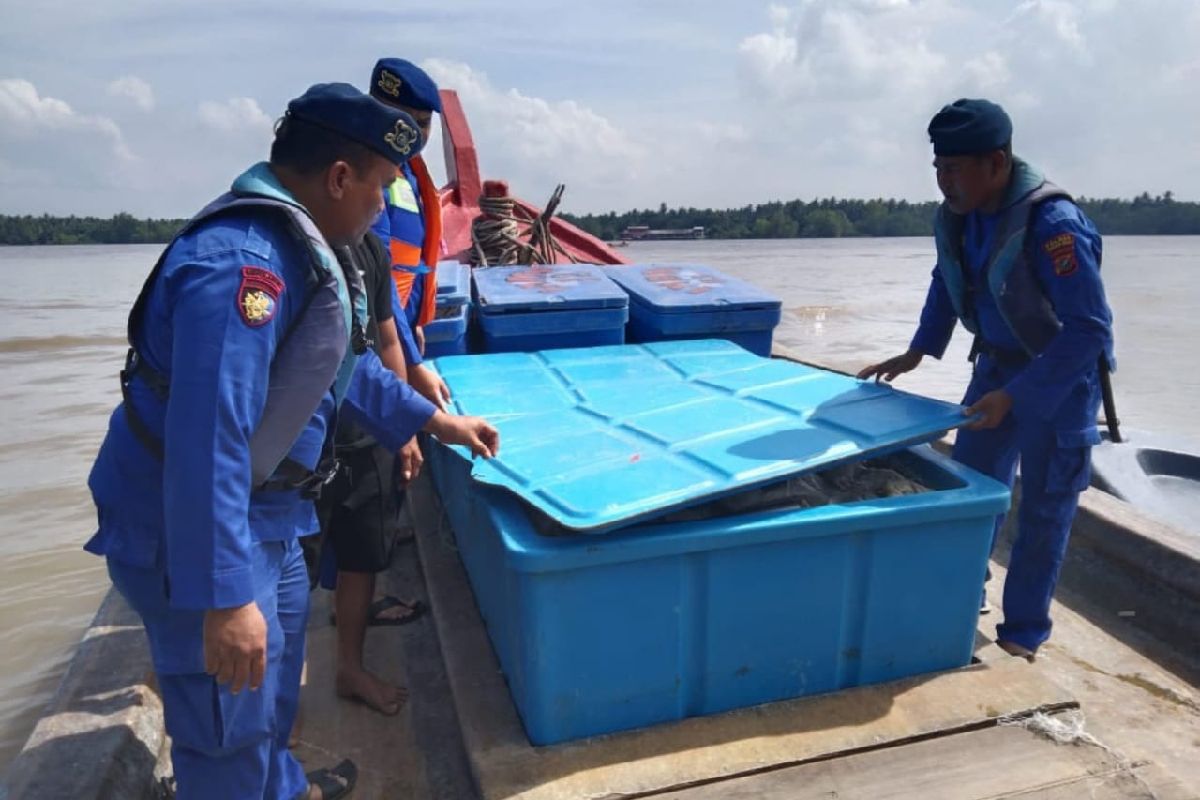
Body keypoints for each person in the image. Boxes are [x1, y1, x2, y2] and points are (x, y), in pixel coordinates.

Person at [85, 83, 498, 800]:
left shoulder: (307, 248)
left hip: (269, 518)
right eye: (380, 187)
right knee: (226, 729)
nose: (381, 205)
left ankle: (277, 786)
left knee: (272, 696)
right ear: (339, 177)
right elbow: (207, 439)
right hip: (197, 532)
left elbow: (343, 366)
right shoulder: (242, 269)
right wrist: (221, 598)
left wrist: (438, 424)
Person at [858, 98, 1114, 663]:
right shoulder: (962, 217)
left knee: (1045, 511)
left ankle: (1022, 635)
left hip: (1059, 382)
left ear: (997, 163)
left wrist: (1017, 397)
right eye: (938, 170)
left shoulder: (1054, 226)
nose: (944, 182)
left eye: (955, 169)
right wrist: (919, 350)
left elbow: (1089, 329)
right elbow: (946, 280)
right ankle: (961, 597)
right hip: (994, 369)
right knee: (973, 494)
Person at [312, 231, 421, 717]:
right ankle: (275, 712)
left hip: (367, 437)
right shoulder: (295, 249)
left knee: (362, 559)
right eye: (373, 184)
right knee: (287, 581)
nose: (380, 200)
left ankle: (349, 668)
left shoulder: (371, 250)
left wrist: (406, 429)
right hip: (303, 450)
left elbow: (388, 338)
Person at [368, 57, 452, 408]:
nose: (416, 136)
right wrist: (412, 365)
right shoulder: (369, 178)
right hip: (375, 340)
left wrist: (415, 324)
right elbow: (379, 277)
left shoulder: (413, 173)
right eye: (405, 123)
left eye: (424, 124)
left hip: (404, 330)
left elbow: (411, 265)